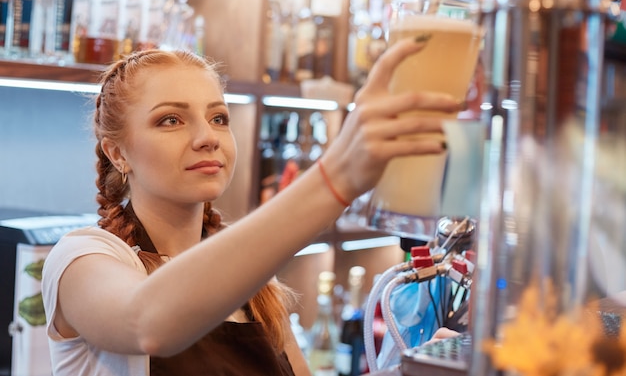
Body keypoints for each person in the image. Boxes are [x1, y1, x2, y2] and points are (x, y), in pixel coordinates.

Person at [41, 38, 461, 376]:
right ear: (117, 153)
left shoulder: (257, 289)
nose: (208, 137)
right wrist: (337, 177)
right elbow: (147, 323)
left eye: (219, 118)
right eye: (171, 119)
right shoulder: (81, 260)